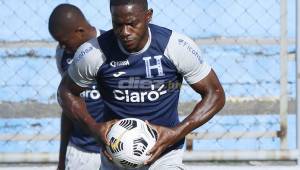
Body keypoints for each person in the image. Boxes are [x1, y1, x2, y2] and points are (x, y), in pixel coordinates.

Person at [58, 0, 225, 169]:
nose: (124, 32)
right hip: (115, 155)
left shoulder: (175, 46)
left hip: (166, 152)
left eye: (132, 24)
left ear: (148, 16)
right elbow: (66, 92)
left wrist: (177, 132)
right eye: (118, 24)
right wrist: (94, 128)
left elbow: (215, 93)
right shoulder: (94, 52)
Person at [48, 4, 105, 170]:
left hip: (115, 150)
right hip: (79, 153)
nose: (62, 47)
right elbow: (68, 109)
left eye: (64, 42)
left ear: (80, 31)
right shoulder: (63, 55)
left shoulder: (111, 47)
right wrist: (61, 160)